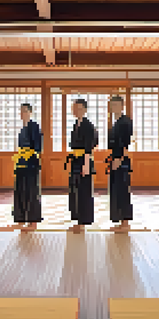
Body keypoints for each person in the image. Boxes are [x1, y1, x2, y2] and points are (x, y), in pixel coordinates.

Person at [66, 98, 96, 232]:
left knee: (84, 190)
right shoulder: (76, 124)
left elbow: (89, 146)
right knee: (75, 190)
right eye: (74, 108)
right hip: (76, 160)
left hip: (84, 160)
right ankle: (78, 219)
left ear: (84, 110)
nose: (76, 111)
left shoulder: (88, 125)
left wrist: (86, 164)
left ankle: (83, 221)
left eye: (79, 108)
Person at [12, 103, 43, 231]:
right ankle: (21, 217)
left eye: (25, 111)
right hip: (21, 163)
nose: (23, 114)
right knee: (20, 190)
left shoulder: (34, 126)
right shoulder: (22, 129)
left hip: (31, 163)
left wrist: (29, 155)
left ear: (30, 112)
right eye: (21, 111)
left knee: (31, 191)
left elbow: (38, 147)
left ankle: (33, 220)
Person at [106, 96, 133, 231]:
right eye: (112, 105)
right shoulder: (116, 122)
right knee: (116, 189)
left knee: (123, 190)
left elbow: (125, 143)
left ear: (122, 106)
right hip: (115, 158)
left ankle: (125, 222)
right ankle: (120, 220)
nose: (114, 108)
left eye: (117, 105)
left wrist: (119, 159)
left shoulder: (125, 122)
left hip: (121, 160)